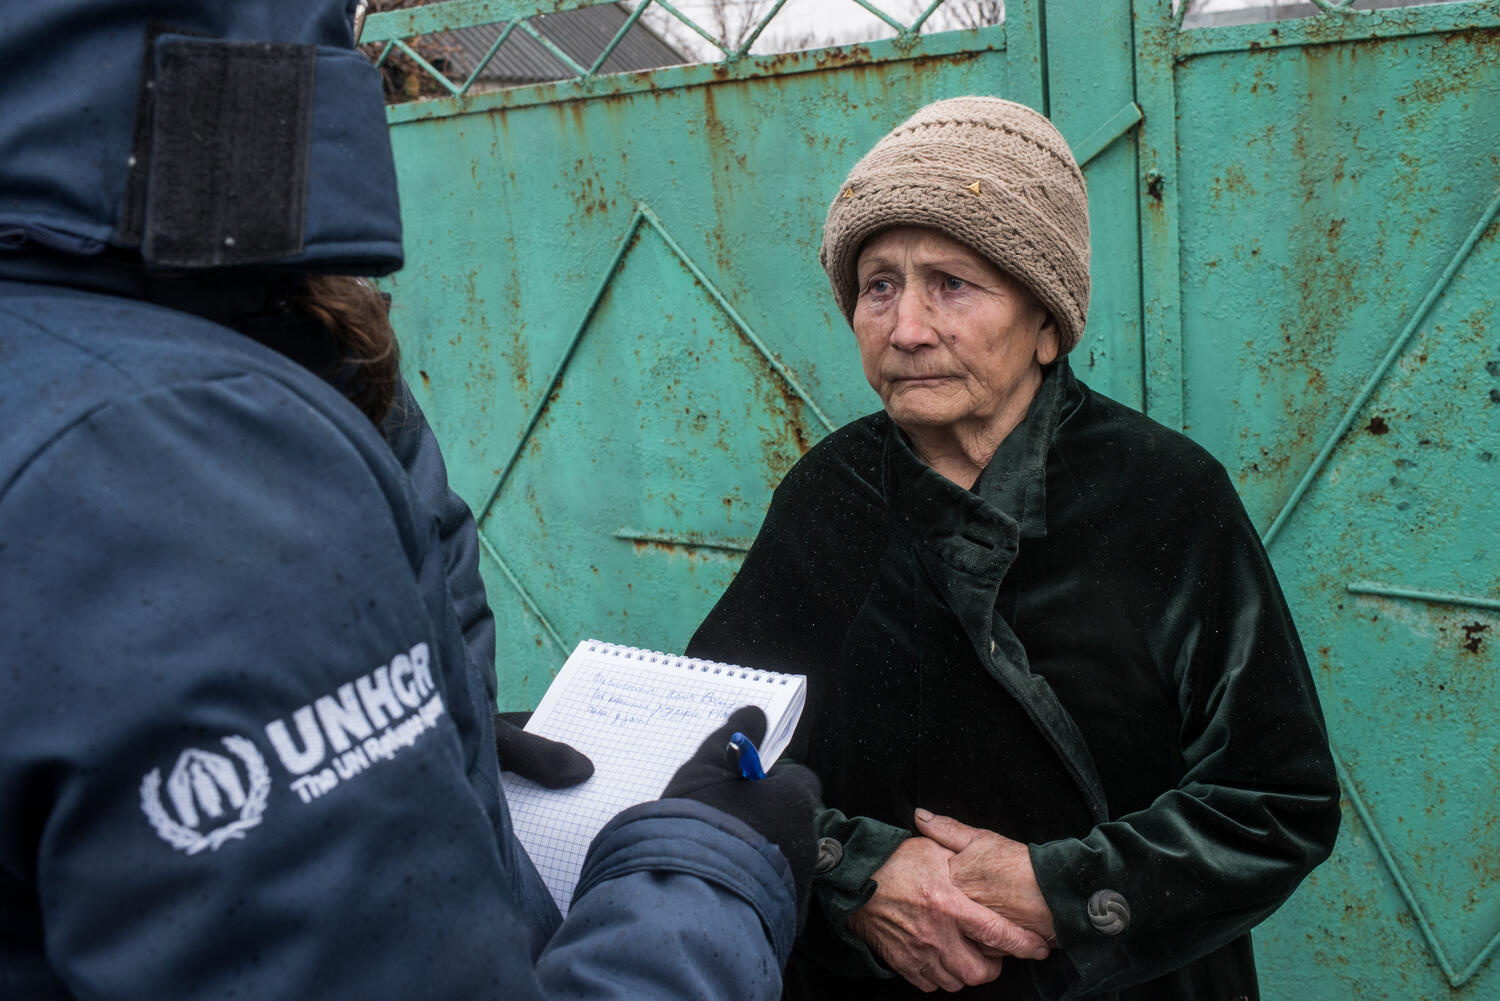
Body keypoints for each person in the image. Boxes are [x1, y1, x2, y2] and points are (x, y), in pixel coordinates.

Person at [0, 2, 819, 998]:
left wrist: (441, 740)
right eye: (879, 282)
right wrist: (704, 877)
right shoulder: (191, 447)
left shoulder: (204, 348)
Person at [687, 96, 1342, 999]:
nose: (906, 328)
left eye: (951, 283)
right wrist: (853, 870)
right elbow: (716, 753)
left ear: (1045, 322)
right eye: (879, 284)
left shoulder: (1163, 496)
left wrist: (1065, 889)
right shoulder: (827, 500)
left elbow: (1277, 799)